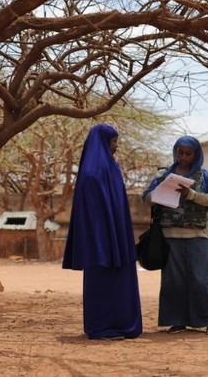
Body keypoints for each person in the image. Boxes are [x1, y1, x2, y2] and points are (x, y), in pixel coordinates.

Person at [62, 123, 143, 340]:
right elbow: (94, 214)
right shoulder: (91, 174)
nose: (116, 146)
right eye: (113, 142)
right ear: (103, 142)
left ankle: (122, 325)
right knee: (101, 281)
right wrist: (102, 243)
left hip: (116, 236)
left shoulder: (110, 167)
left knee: (119, 281)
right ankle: (101, 328)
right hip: (100, 242)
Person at [142, 135, 208, 335]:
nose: (184, 157)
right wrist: (160, 192)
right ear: (175, 152)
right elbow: (147, 197)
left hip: (199, 235)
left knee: (200, 280)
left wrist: (191, 195)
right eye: (180, 153)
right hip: (170, 235)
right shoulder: (163, 175)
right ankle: (176, 320)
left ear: (196, 154)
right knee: (173, 281)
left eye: (188, 153)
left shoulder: (206, 176)